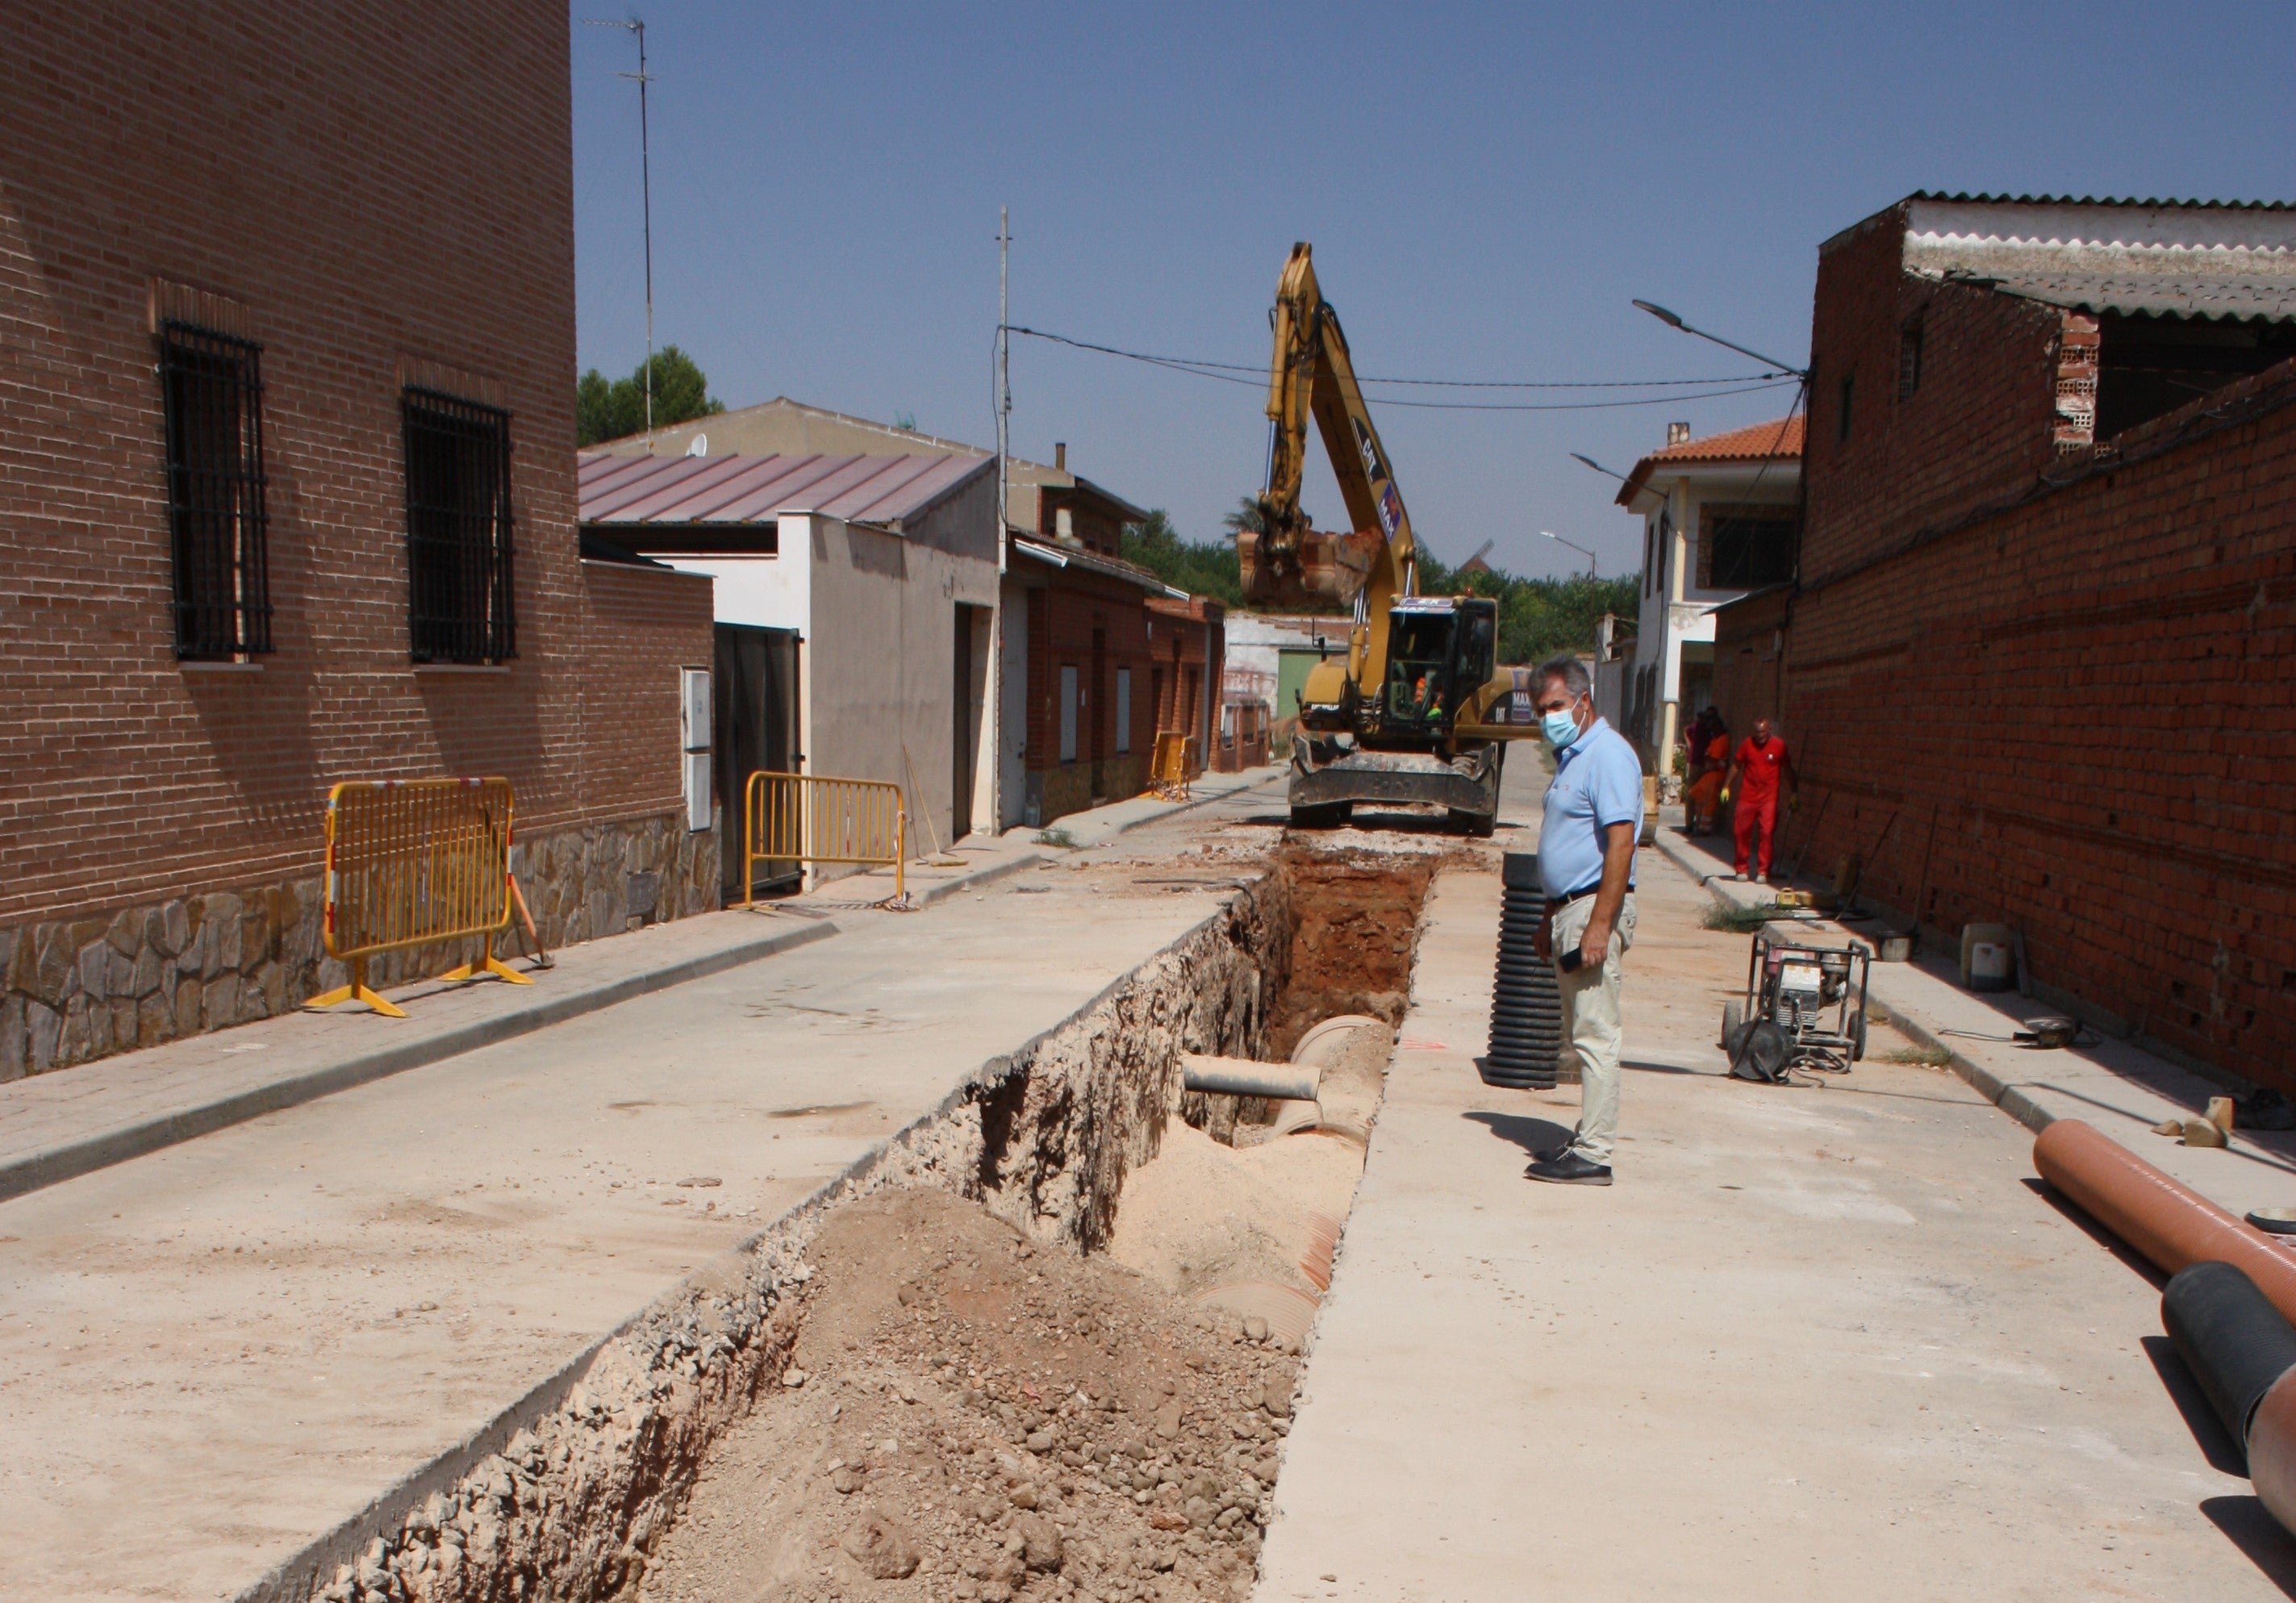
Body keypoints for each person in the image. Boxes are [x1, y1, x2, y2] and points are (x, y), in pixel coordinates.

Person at [1524, 654, 1640, 1187]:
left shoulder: (1609, 756)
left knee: (1596, 1033)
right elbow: (1569, 843)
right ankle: (1586, 1134)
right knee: (1582, 1030)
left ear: (1583, 701)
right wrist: (1550, 915)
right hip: (1569, 908)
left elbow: (1620, 844)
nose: (1546, 716)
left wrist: (1600, 923)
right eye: (1539, 708)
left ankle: (1594, 1153)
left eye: (1554, 705)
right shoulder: (1573, 757)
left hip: (1593, 907)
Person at [1722, 716, 1797, 881]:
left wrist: (1794, 793)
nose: (1760, 736)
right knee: (1741, 831)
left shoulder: (1779, 746)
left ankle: (1763, 870)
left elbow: (1788, 769)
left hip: (1768, 798)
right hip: (1747, 796)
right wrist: (1726, 786)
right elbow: (1736, 765)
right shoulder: (1747, 744)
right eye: (1757, 733)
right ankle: (1741, 868)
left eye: (1763, 732)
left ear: (1769, 730)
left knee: (1767, 833)